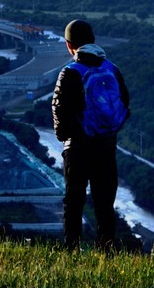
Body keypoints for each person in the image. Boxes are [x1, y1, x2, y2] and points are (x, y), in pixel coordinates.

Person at [52, 19, 130, 251]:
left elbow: (59, 108)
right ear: (93, 41)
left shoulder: (70, 71)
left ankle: (72, 250)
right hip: (106, 146)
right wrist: (110, 131)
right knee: (105, 203)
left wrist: (64, 136)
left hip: (77, 147)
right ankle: (106, 251)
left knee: (74, 202)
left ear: (69, 44)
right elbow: (124, 103)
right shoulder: (112, 69)